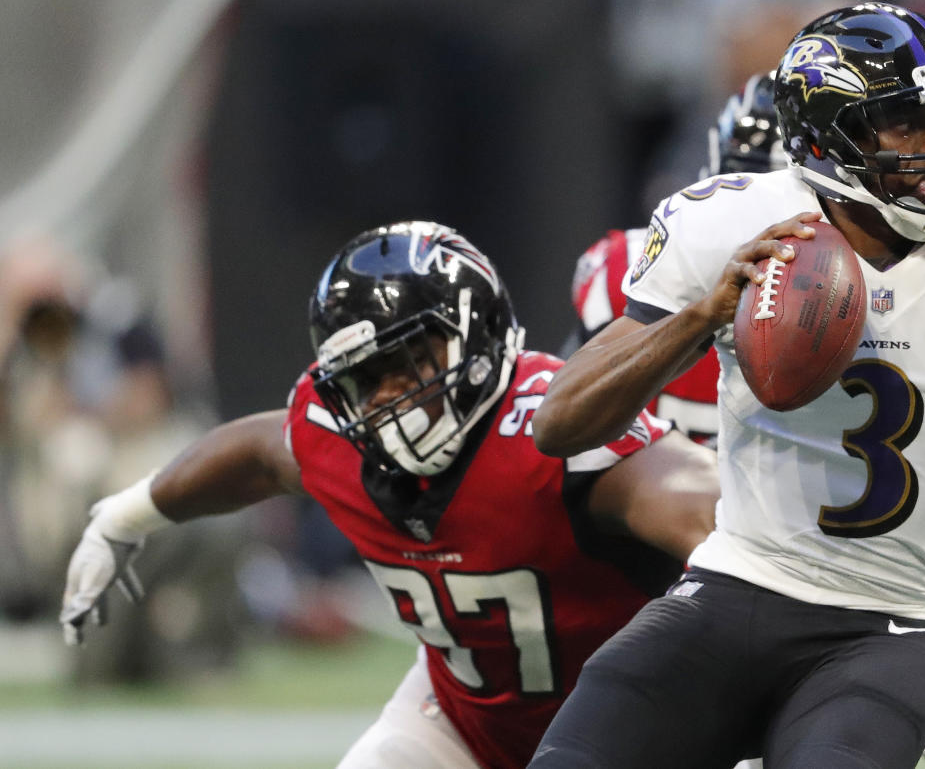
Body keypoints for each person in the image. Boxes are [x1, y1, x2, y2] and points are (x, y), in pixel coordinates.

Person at [531, 1, 925, 769]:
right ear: (821, 141)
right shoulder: (739, 225)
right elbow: (558, 423)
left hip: (886, 624)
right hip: (736, 584)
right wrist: (703, 315)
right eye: (904, 124)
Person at [58, 221, 720, 769]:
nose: (384, 397)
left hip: (631, 736)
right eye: (363, 377)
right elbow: (256, 454)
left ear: (477, 334)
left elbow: (717, 523)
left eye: (407, 363)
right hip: (459, 723)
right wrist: (124, 515)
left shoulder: (553, 430)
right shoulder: (337, 436)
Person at [568, 70, 925, 769]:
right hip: (671, 604)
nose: (786, 241)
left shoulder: (922, 293)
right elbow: (560, 442)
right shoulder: (635, 272)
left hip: (835, 618)